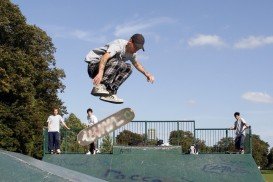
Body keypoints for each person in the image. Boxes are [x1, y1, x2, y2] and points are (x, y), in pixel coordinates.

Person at [85, 33, 155, 104]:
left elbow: (137, 64)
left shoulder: (132, 54)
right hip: (94, 66)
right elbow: (104, 57)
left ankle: (110, 93)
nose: (136, 50)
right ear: (130, 41)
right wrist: (100, 73)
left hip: (106, 69)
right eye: (135, 47)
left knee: (129, 67)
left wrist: (147, 74)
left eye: (138, 49)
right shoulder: (119, 44)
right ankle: (99, 86)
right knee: (120, 63)